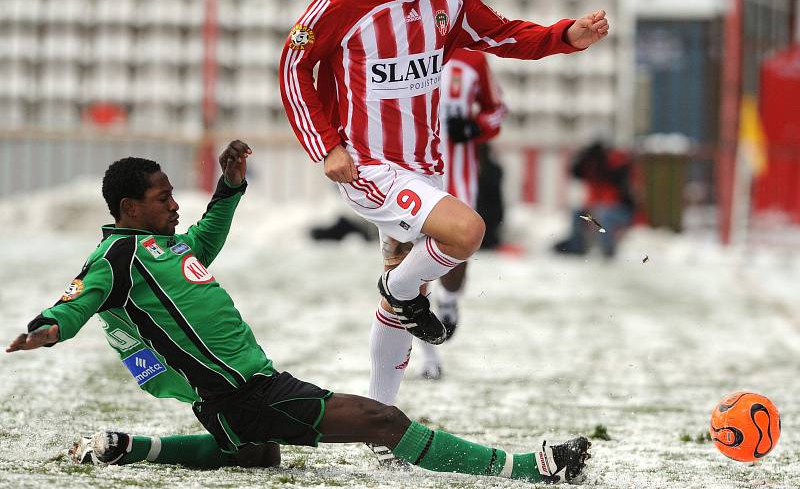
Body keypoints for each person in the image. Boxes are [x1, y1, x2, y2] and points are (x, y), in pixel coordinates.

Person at [5, 140, 592, 483]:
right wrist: (46, 328)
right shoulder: (116, 255)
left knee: (258, 456)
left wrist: (229, 191)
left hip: (244, 390)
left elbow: (199, 247)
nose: (174, 204)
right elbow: (78, 299)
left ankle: (130, 447)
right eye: (163, 199)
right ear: (129, 207)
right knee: (380, 423)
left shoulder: (161, 245)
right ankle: (529, 468)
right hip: (243, 391)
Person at [278, 0, 609, 425]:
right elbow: (294, 67)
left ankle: (379, 420)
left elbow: (499, 35)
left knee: (400, 300)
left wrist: (564, 35)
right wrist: (326, 144)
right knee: (466, 232)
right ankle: (402, 289)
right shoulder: (340, 2)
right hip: (369, 165)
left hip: (425, 166)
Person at [415, 47, 506, 381]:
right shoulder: (402, 44)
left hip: (458, 179)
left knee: (453, 259)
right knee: (407, 269)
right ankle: (429, 357)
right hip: (408, 176)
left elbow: (498, 110)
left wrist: (473, 126)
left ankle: (449, 300)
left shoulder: (472, 58)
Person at [553, 140, 635, 258]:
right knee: (578, 213)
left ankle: (607, 250)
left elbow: (620, 177)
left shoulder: (614, 168)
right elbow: (574, 171)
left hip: (620, 212)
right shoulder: (589, 168)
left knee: (603, 215)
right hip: (597, 208)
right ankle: (577, 247)